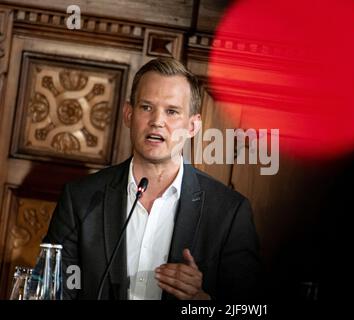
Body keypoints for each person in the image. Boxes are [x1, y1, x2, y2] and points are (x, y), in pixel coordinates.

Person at [43, 58, 262, 300]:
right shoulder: (80, 198)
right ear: (128, 114)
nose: (157, 121)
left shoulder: (229, 212)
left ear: (192, 126)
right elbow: (51, 291)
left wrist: (202, 301)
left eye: (172, 111)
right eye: (146, 107)